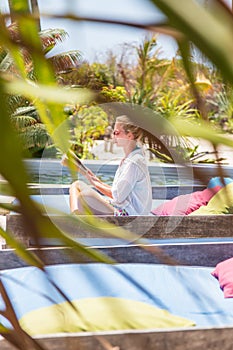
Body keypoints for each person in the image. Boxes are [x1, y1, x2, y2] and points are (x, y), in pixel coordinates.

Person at [66, 115, 153, 216]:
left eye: (116, 132)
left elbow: (117, 196)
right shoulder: (129, 159)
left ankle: (76, 223)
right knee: (76, 185)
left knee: (84, 196)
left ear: (129, 135)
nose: (113, 136)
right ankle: (76, 219)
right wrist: (96, 180)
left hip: (129, 215)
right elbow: (117, 192)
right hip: (119, 208)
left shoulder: (134, 162)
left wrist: (94, 182)